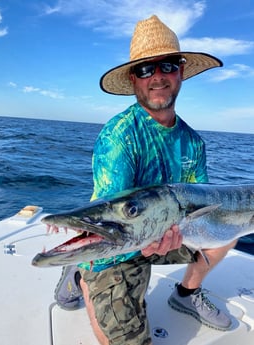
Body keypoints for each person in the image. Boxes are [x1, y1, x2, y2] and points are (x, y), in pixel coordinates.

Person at [55, 15, 237, 345]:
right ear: (134, 79)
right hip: (116, 249)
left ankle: (186, 293)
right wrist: (146, 236)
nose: (157, 77)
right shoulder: (119, 137)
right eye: (144, 69)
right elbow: (117, 225)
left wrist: (179, 233)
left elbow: (206, 210)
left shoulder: (194, 143)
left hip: (167, 235)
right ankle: (84, 272)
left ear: (180, 71)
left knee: (227, 231)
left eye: (167, 65)